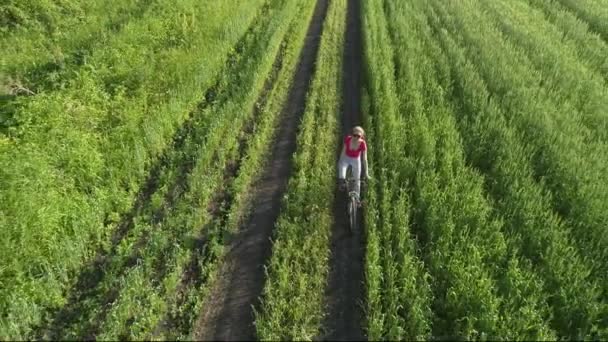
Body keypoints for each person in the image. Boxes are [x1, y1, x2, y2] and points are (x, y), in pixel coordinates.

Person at [338, 126, 370, 203]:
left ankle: (357, 199)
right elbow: (343, 151)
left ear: (361, 136)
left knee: (357, 180)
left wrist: (366, 173)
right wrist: (340, 162)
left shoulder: (362, 144)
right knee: (342, 175)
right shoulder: (348, 139)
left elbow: (364, 159)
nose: (356, 137)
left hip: (356, 160)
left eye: (358, 136)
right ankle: (342, 184)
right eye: (354, 135)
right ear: (352, 134)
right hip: (346, 158)